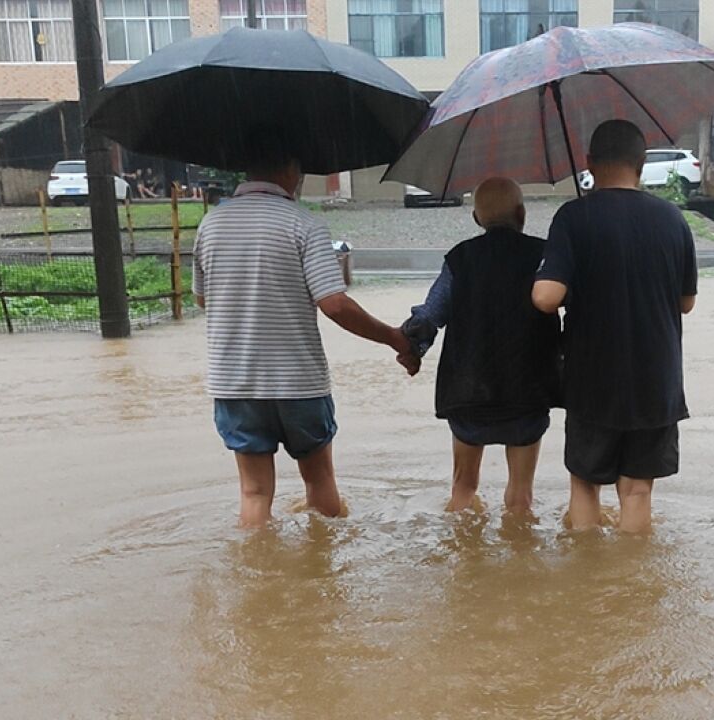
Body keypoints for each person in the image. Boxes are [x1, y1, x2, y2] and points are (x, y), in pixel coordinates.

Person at [192, 130, 417, 528]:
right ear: (290, 170)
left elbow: (203, 300)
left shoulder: (210, 224)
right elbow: (334, 303)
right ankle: (322, 579)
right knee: (320, 484)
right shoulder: (303, 224)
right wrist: (394, 337)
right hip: (298, 383)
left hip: (236, 383)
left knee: (254, 493)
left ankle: (259, 584)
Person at [532, 119, 697, 534]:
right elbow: (686, 302)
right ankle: (633, 591)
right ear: (642, 163)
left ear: (589, 162)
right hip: (656, 379)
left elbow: (545, 298)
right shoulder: (672, 219)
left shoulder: (574, 217)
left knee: (586, 486)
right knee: (638, 491)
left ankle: (591, 587)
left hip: (593, 380)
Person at [401, 178, 562, 514]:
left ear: (476, 219)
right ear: (522, 213)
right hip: (527, 392)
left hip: (467, 392)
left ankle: (463, 560)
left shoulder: (460, 259)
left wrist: (412, 350)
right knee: (520, 499)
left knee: (463, 489)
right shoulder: (545, 257)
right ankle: (520, 562)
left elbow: (430, 315)